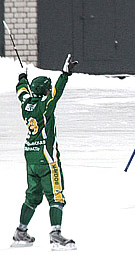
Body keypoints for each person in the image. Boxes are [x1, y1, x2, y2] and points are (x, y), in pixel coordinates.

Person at [12, 54, 78, 250]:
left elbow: (21, 92)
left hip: (30, 156)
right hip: (46, 158)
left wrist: (22, 79)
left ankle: (21, 232)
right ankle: (56, 235)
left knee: (32, 195)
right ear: (45, 91)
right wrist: (64, 74)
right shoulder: (44, 107)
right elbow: (56, 94)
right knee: (56, 195)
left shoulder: (27, 104)